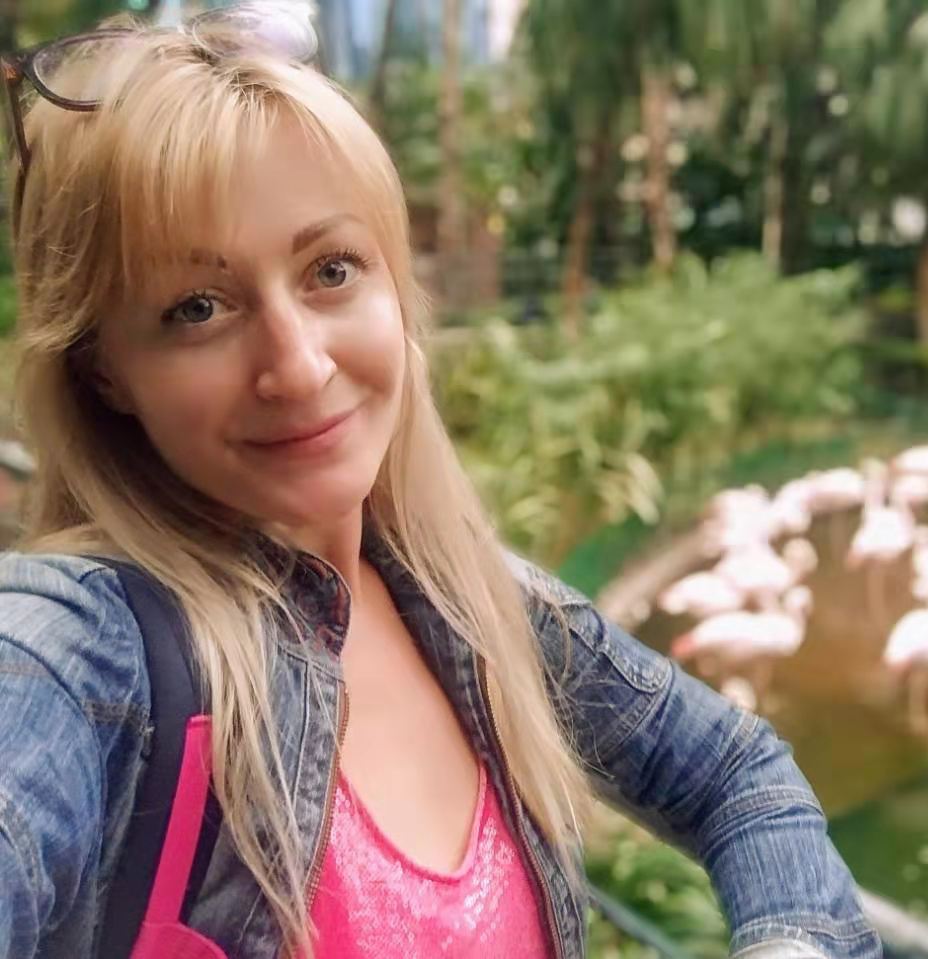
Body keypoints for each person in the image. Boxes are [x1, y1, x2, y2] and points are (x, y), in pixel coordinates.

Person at [0, 5, 880, 958]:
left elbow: (740, 774)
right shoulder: (89, 654)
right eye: (197, 308)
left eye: (330, 269)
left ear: (395, 285)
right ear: (103, 373)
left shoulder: (478, 606)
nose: (299, 366)